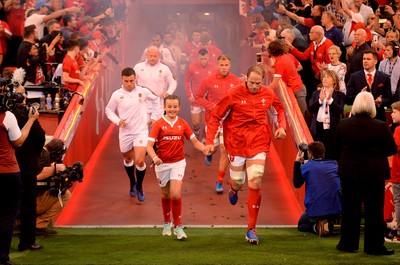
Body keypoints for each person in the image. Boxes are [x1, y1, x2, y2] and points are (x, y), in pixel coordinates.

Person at [205, 65, 287, 244]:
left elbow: (279, 110)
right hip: (236, 143)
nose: (255, 86)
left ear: (263, 81)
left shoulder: (267, 93)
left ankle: (251, 229)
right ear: (246, 79)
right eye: (251, 83)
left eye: (258, 83)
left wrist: (281, 126)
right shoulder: (233, 94)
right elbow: (216, 116)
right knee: (238, 182)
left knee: (256, 180)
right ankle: (233, 188)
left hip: (258, 142)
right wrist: (210, 141)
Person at [335, 91, 397, 255]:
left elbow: (337, 147)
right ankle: (374, 246)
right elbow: (392, 148)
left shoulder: (343, 124)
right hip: (374, 173)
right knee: (374, 210)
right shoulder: (380, 126)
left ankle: (348, 243)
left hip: (349, 172)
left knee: (350, 209)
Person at [147, 95, 207, 240]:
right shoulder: (158, 124)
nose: (172, 109)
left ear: (179, 108)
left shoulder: (183, 123)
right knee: (166, 194)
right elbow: (149, 145)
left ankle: (178, 227)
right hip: (162, 164)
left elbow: (194, 141)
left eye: (175, 107)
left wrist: (204, 149)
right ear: (164, 107)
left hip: (178, 163)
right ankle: (167, 223)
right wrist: (155, 158)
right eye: (169, 107)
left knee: (175, 193)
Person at [105, 67, 160, 202]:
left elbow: (156, 100)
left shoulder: (143, 91)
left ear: (135, 78)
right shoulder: (117, 95)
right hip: (125, 132)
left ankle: (140, 187)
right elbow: (108, 110)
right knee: (128, 159)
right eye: (126, 81)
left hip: (141, 131)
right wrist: (118, 121)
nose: (129, 83)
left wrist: (153, 116)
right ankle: (132, 182)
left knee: (140, 160)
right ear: (122, 80)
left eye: (131, 80)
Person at [0, 91, 39, 265]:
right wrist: (31, 120)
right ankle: (2, 257)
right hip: (7, 171)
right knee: (8, 216)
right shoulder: (6, 116)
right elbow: (18, 141)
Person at [194, 54, 242, 194]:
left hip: (229, 121)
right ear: (217, 65)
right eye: (221, 65)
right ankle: (208, 153)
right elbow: (198, 97)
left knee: (224, 149)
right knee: (212, 148)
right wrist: (211, 106)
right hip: (213, 119)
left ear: (230, 65)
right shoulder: (208, 80)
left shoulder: (236, 81)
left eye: (226, 65)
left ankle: (219, 181)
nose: (224, 67)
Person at [12, 86, 46, 251]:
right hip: (24, 165)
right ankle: (26, 241)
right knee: (27, 203)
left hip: (8, 165)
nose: (24, 96)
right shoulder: (27, 114)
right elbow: (40, 137)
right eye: (21, 93)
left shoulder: (7, 114)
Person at [293, 141, 342, 237]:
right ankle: (328, 223)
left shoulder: (307, 167)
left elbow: (297, 184)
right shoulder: (334, 165)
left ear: (310, 153)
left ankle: (316, 226)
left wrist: (297, 163)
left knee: (302, 225)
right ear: (323, 152)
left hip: (315, 209)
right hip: (336, 208)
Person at [36, 138, 70, 235]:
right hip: (28, 200)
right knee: (65, 194)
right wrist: (55, 168)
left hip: (22, 198)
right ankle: (39, 224)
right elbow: (35, 176)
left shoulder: (41, 153)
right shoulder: (44, 157)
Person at [308, 70, 345, 159]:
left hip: (332, 128)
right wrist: (320, 100)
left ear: (334, 81)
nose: (325, 79)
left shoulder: (340, 95)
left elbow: (339, 110)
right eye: (324, 77)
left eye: (328, 77)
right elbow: (310, 108)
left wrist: (330, 100)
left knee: (331, 153)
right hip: (318, 127)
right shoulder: (316, 93)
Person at [346, 50, 392, 121]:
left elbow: (389, 99)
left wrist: (381, 101)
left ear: (375, 61)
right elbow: (348, 99)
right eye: (364, 59)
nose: (365, 61)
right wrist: (360, 95)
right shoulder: (354, 77)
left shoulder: (384, 78)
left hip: (378, 117)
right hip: (358, 118)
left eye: (368, 59)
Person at [265, 39, 307, 116]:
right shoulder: (289, 56)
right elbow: (299, 67)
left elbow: (274, 83)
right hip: (299, 88)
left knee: (303, 116)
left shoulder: (280, 63)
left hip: (297, 91)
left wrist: (262, 90)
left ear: (272, 52)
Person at [133, 45, 177, 119]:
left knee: (157, 128)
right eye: (151, 56)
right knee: (143, 128)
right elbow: (132, 82)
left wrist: (168, 92)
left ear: (159, 56)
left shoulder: (164, 68)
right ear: (146, 55)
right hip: (142, 103)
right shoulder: (138, 67)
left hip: (159, 103)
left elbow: (173, 82)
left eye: (155, 56)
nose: (153, 58)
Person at [183, 49, 217, 140]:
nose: (203, 61)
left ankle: (205, 137)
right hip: (196, 99)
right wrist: (189, 95)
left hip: (208, 100)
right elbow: (186, 81)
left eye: (205, 58)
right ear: (198, 58)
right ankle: (196, 132)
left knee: (207, 122)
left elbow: (217, 81)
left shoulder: (214, 68)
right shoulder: (192, 67)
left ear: (208, 57)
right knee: (196, 123)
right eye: (201, 59)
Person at [386, 101, 400, 243]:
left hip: (398, 172)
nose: (392, 114)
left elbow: (393, 148)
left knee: (398, 201)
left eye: (395, 112)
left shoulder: (398, 130)